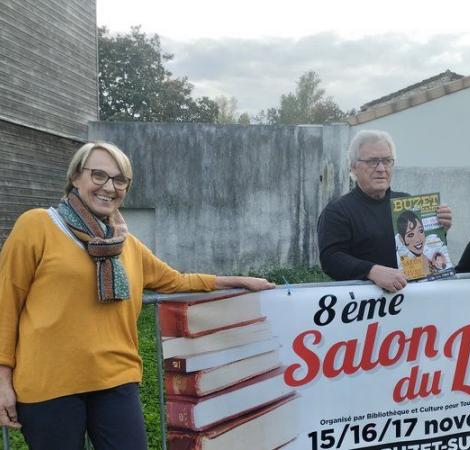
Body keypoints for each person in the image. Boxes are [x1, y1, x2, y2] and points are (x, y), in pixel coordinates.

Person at [0, 142, 275, 450]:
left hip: (116, 379)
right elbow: (6, 302)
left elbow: (175, 281)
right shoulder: (37, 225)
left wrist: (236, 281)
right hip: (48, 384)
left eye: (120, 180)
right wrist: (2, 379)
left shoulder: (125, 244)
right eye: (99, 175)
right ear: (76, 177)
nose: (109, 187)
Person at [317, 130, 452, 292]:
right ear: (353, 167)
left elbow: (427, 257)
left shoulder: (407, 203)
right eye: (373, 161)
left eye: (387, 161)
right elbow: (331, 259)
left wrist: (439, 229)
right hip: (364, 310)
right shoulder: (337, 211)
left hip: (414, 303)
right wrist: (372, 271)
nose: (381, 168)